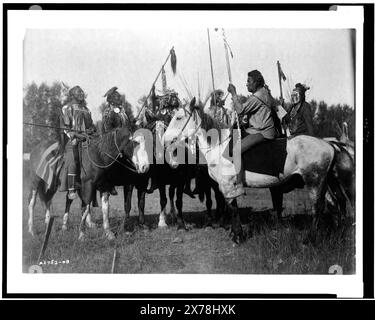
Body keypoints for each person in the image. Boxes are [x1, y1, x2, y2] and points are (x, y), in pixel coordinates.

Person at [227, 70, 278, 198]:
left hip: (262, 132)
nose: (247, 84)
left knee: (236, 150)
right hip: (266, 129)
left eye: (249, 81)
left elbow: (240, 110)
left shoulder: (256, 97)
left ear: (256, 82)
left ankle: (239, 186)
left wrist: (233, 93)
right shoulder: (265, 93)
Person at [59, 85, 97, 200]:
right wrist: (74, 135)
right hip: (73, 140)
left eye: (82, 92)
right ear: (72, 95)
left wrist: (91, 130)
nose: (81, 94)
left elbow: (91, 126)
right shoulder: (67, 108)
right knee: (72, 160)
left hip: (86, 140)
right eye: (78, 92)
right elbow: (66, 128)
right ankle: (71, 188)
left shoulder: (86, 109)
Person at [101, 86, 130, 195]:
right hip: (111, 140)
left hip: (124, 139)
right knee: (112, 159)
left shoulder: (122, 111)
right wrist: (120, 132)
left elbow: (126, 124)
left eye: (119, 97)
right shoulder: (108, 112)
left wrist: (133, 122)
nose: (120, 99)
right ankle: (109, 183)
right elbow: (107, 129)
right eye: (117, 97)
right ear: (111, 100)